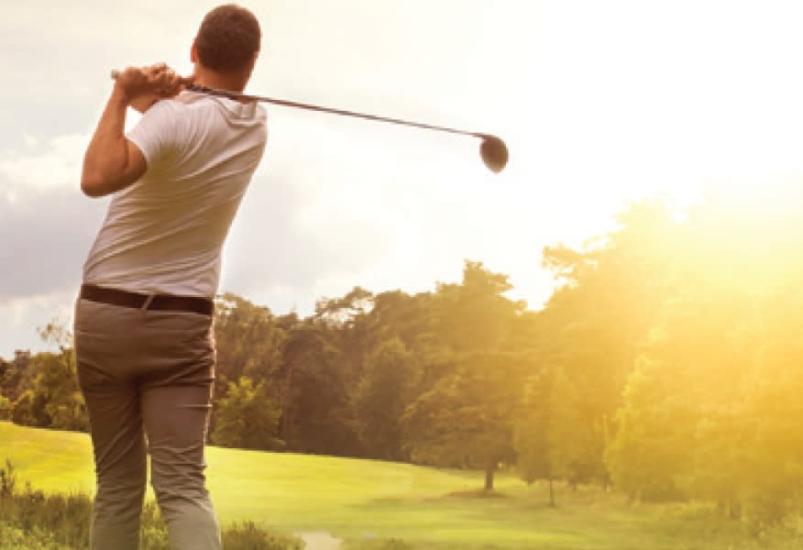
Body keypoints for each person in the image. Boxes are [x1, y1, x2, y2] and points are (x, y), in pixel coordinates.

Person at [73, 5, 266, 549]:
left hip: (106, 315)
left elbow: (96, 176)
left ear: (194, 50)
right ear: (253, 63)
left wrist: (123, 94)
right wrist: (153, 96)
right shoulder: (255, 125)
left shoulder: (173, 117)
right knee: (183, 487)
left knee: (116, 484)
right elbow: (177, 122)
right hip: (182, 324)